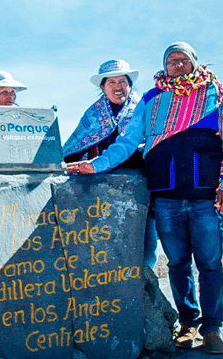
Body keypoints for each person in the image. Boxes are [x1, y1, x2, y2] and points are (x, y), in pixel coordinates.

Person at [67, 42, 223, 355]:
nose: (177, 64)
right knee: (177, 263)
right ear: (164, 65)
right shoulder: (152, 99)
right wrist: (97, 164)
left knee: (211, 263)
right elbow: (128, 141)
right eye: (171, 60)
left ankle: (212, 327)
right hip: (166, 197)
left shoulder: (216, 95)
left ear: (194, 64)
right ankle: (188, 323)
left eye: (183, 59)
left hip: (205, 196)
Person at [62, 59, 157, 269]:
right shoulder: (93, 115)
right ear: (102, 87)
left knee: (145, 243)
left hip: (142, 188)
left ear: (130, 84)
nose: (118, 87)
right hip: (102, 192)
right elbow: (75, 146)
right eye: (111, 82)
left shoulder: (146, 110)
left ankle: (146, 291)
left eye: (122, 81)